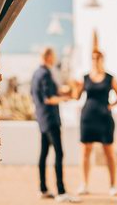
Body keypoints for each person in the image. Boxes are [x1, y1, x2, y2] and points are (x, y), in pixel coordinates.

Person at [31, 47, 80, 202]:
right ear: (48, 57)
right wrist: (66, 99)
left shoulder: (36, 73)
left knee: (44, 153)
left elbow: (39, 95)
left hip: (42, 118)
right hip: (51, 119)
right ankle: (61, 191)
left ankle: (43, 189)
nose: (55, 59)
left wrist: (65, 92)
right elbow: (49, 98)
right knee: (59, 153)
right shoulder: (45, 74)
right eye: (54, 56)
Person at [77, 50, 117, 196]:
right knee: (85, 152)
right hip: (87, 118)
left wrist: (110, 106)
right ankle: (84, 184)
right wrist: (73, 87)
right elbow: (77, 96)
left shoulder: (110, 78)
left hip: (104, 119)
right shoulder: (85, 78)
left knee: (109, 152)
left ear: (103, 59)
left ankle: (113, 185)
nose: (95, 60)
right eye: (93, 58)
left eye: (98, 58)